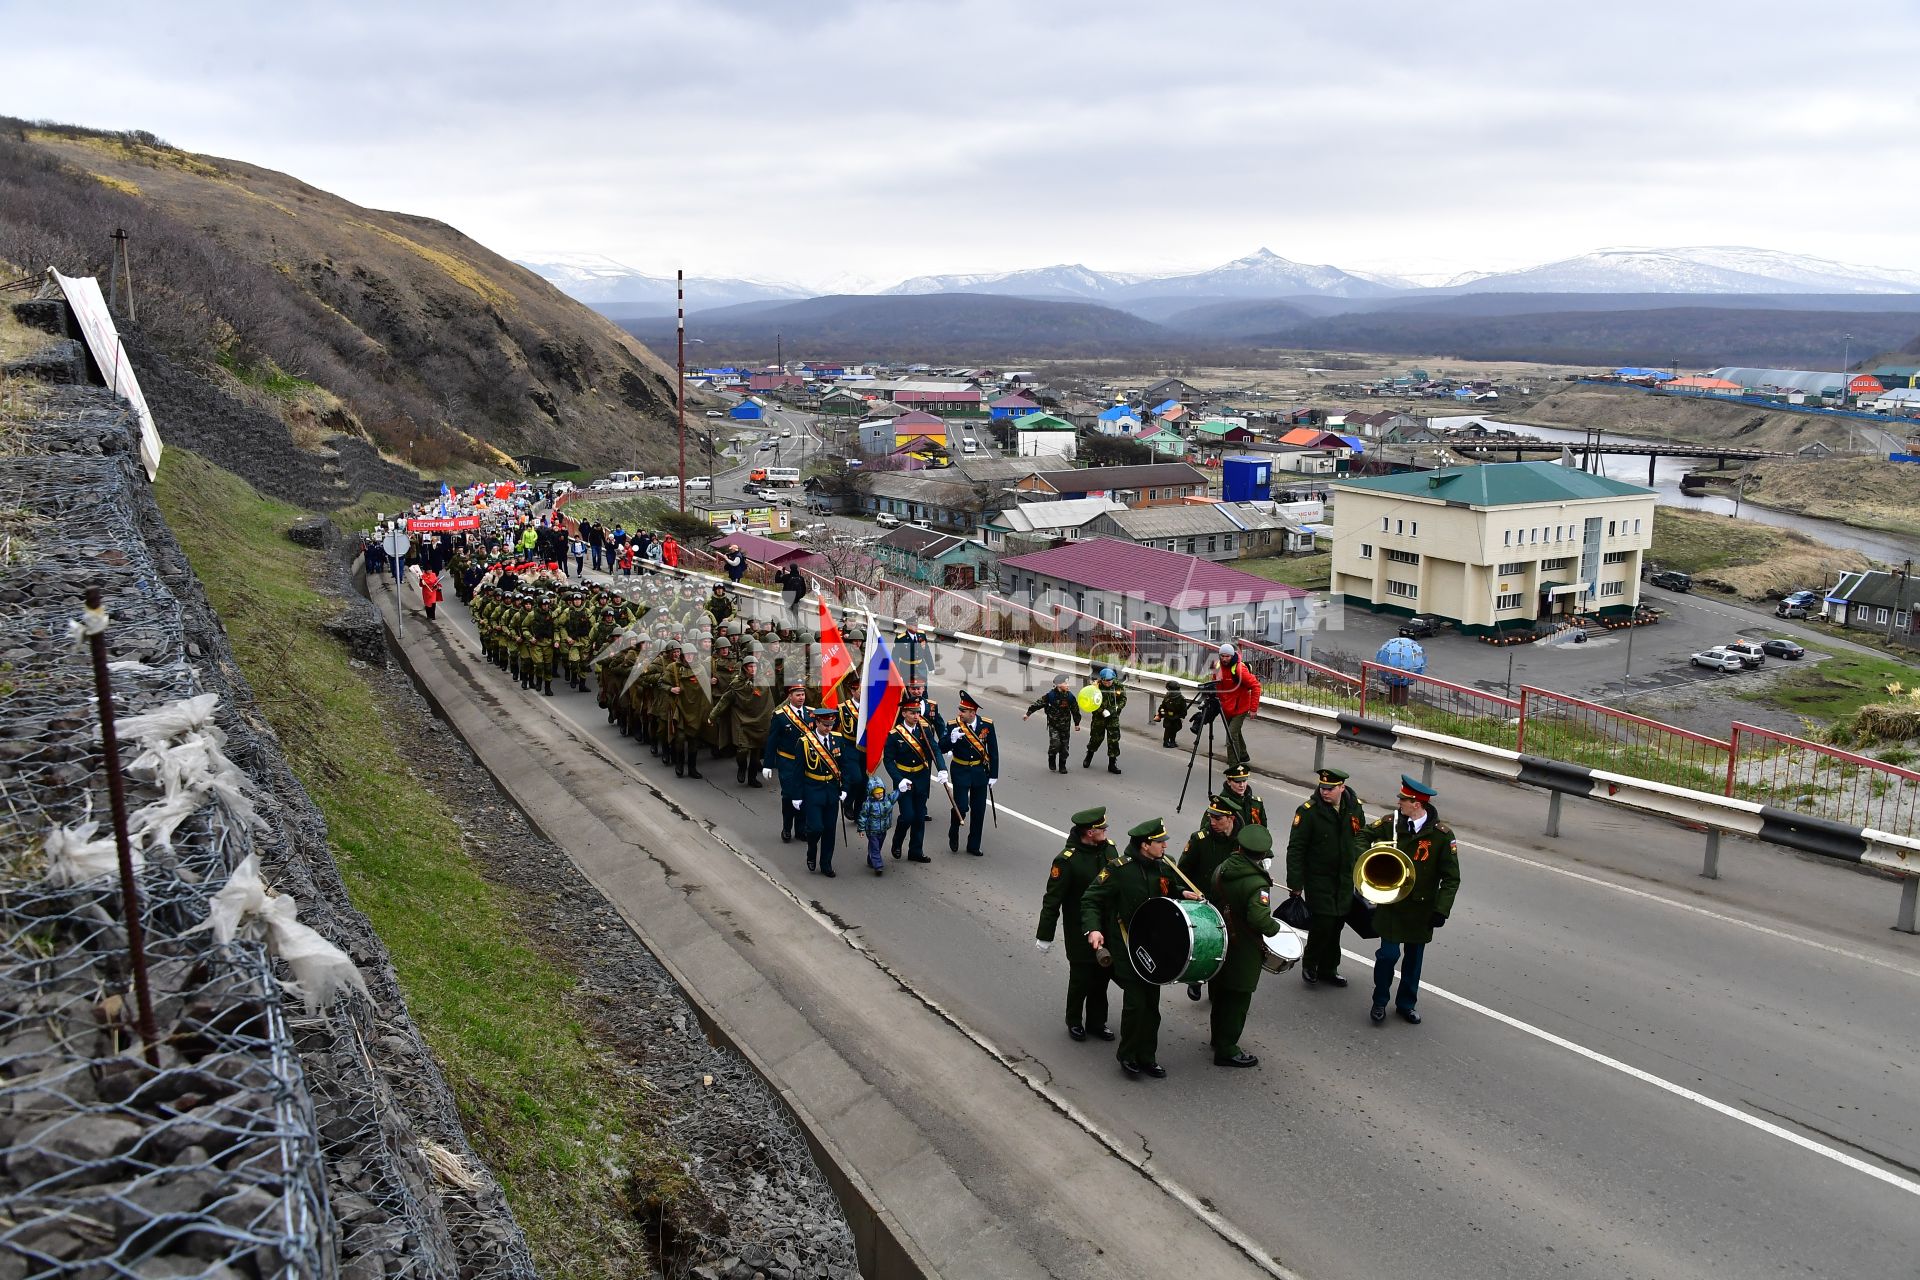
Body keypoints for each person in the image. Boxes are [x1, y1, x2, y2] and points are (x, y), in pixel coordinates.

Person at [1081, 816, 1197, 1079]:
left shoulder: (1163, 866)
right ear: (1145, 845)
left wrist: (1183, 892)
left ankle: (1148, 1056)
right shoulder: (1119, 870)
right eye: (1160, 842)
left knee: (1152, 1006)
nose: (1165, 846)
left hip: (1154, 945)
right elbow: (1090, 899)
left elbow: (1170, 888)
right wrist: (1094, 929)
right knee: (1135, 1004)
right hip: (1126, 944)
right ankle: (1128, 1055)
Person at [1364, 775, 1461, 1025]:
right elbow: (1361, 837)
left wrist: (1441, 910)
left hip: (1421, 909)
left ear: (1417, 803)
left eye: (1403, 800)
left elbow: (1451, 878)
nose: (1399, 803)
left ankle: (1406, 1004)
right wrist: (1370, 861)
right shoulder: (1391, 823)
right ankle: (1379, 1001)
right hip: (1392, 904)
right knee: (1387, 956)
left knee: (1413, 960)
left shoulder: (1442, 836)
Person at [1034, 807, 1122, 1043]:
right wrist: (1045, 934)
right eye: (1102, 828)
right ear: (1090, 832)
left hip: (1106, 926)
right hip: (1079, 929)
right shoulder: (1066, 861)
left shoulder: (1109, 849)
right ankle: (1074, 1020)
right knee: (1081, 978)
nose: (1106, 831)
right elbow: (1052, 899)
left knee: (1102, 977)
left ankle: (1096, 1022)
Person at [1203, 825, 1283, 1068]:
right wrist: (1274, 928)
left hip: (1221, 940)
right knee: (1238, 998)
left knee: (1221, 993)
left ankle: (1218, 1038)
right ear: (1260, 855)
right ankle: (1227, 1049)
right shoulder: (1256, 885)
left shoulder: (1223, 868)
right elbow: (1259, 920)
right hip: (1243, 948)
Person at [1285, 766, 1366, 988]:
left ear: (1342, 787)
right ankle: (1310, 965)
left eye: (1330, 788)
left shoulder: (1354, 808)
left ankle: (1329, 968)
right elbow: (1296, 848)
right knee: (1323, 923)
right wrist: (1296, 882)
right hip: (1319, 878)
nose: (1325, 792)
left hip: (1345, 878)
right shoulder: (1308, 811)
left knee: (1337, 924)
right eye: (1322, 787)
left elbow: (1361, 836)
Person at [1175, 800, 1240, 1002]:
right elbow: (1181, 873)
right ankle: (1196, 979)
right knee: (1205, 945)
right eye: (1211, 816)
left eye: (1218, 818)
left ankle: (1217, 988)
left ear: (1231, 819)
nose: (1212, 821)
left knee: (1226, 947)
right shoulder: (1200, 840)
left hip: (1229, 903)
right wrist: (1185, 893)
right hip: (1203, 903)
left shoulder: (1241, 842)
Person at [883, 700, 946, 863]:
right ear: (904, 714)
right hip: (904, 779)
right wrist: (898, 779)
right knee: (908, 816)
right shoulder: (894, 735)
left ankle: (916, 851)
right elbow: (888, 760)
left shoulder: (924, 730)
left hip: (921, 777)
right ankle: (897, 841)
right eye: (912, 713)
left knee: (919, 817)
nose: (916, 716)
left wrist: (942, 768)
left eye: (918, 712)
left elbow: (935, 750)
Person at [944, 690, 998, 856]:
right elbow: (941, 748)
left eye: (963, 711)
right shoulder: (953, 725)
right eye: (960, 710)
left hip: (979, 770)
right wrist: (951, 740)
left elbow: (993, 751)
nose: (959, 713)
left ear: (973, 713)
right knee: (961, 806)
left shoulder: (987, 725)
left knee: (979, 809)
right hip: (960, 769)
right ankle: (954, 829)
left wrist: (994, 774)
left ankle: (974, 845)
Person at [798, 705, 849, 876]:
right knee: (815, 828)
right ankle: (811, 849)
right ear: (817, 722)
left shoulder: (838, 739)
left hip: (832, 791)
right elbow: (797, 771)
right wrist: (796, 795)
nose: (829, 728)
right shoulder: (805, 742)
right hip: (813, 790)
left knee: (829, 829)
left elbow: (845, 766)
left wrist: (845, 789)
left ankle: (826, 863)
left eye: (831, 724)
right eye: (825, 724)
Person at [712, 656, 773, 787]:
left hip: (758, 721)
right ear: (744, 668)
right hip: (741, 721)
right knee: (742, 750)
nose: (753, 669)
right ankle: (741, 767)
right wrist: (712, 715)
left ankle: (752, 779)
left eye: (755, 666)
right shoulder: (736, 683)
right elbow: (725, 700)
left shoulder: (762, 682)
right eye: (750, 666)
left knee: (756, 754)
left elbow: (769, 703)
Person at [762, 683, 811, 841]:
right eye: (797, 695)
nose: (801, 698)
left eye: (802, 694)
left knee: (804, 795)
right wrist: (768, 764)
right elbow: (772, 741)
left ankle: (801, 828)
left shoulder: (811, 714)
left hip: (806, 763)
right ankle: (787, 827)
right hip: (787, 762)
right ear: (789, 696)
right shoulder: (780, 715)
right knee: (790, 795)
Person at [1212, 644, 1263, 769]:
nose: (1224, 659)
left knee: (1231, 735)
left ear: (1232, 655)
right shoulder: (1217, 666)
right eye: (1222, 656)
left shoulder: (1239, 669)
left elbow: (1256, 686)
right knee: (1235, 732)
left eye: (1227, 656)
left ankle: (1233, 765)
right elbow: (1216, 685)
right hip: (1226, 707)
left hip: (1240, 708)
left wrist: (1253, 709)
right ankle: (1243, 755)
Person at [1023, 673, 1081, 773]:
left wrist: (1077, 724)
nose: (1068, 685)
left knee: (1065, 748)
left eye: (1068, 683)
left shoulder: (1070, 697)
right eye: (1065, 683)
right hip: (1053, 725)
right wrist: (1028, 713)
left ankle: (1062, 765)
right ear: (1058, 685)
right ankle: (1052, 759)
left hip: (1065, 726)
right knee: (1055, 744)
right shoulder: (1050, 696)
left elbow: (1075, 711)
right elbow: (1038, 704)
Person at [1082, 667, 1126, 775]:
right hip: (1099, 717)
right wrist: (1101, 711)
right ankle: (1089, 755)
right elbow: (1090, 701)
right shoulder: (1095, 687)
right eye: (1106, 681)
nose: (1108, 683)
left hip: (1113, 717)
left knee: (1113, 740)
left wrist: (1116, 708)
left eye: (1110, 681)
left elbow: (1123, 699)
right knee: (1096, 738)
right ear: (1102, 679)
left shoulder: (1118, 686)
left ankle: (1112, 764)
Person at [1213, 763, 1268, 836]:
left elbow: (1263, 829)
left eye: (1244, 781)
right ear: (1229, 782)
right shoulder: (1220, 804)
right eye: (1237, 781)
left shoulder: (1256, 803)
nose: (1241, 785)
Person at [857, 781, 896, 876]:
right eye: (877, 793)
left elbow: (895, 795)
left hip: (883, 829)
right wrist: (861, 829)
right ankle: (878, 866)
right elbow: (863, 816)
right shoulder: (868, 804)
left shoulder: (887, 800)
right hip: (872, 830)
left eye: (881, 792)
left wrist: (902, 789)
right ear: (872, 793)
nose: (880, 794)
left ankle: (871, 859)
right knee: (875, 847)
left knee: (878, 846)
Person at [1152, 680, 1189, 748]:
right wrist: (1161, 714)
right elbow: (1162, 707)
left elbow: (1184, 710)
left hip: (1176, 717)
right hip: (1168, 716)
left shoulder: (1181, 699)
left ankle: (1172, 741)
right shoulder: (1167, 697)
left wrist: (1180, 716)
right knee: (1168, 729)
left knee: (1174, 729)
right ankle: (1166, 742)